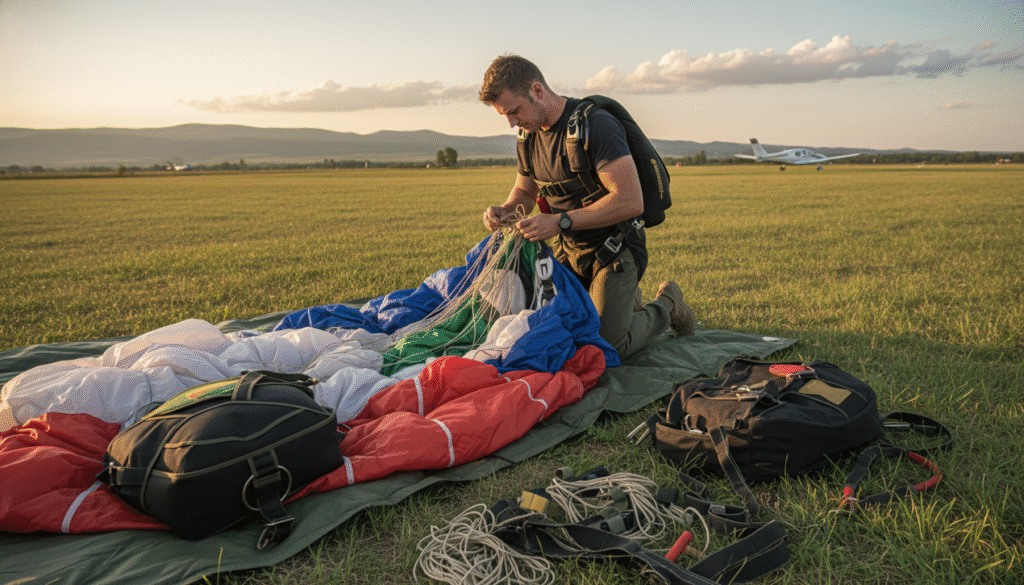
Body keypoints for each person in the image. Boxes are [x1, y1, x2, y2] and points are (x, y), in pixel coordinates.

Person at [479, 54, 696, 360]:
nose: (512, 122)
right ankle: (624, 300)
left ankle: (668, 304)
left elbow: (630, 200)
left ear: (538, 91)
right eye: (505, 115)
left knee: (606, 348)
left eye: (514, 111)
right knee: (559, 334)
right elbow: (524, 192)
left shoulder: (595, 125)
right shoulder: (527, 137)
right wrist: (506, 209)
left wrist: (558, 222)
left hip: (615, 250)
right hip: (570, 253)